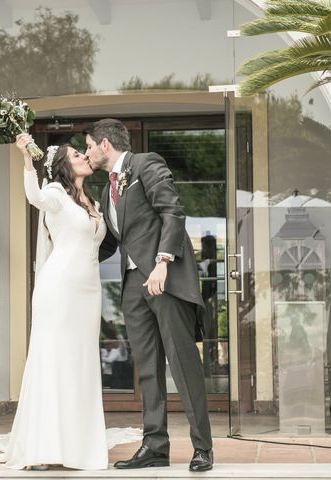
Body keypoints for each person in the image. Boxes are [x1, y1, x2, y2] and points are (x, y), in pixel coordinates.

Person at [85, 118, 214, 472]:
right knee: (147, 371)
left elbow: (172, 211)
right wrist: (74, 256)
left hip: (165, 281)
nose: (87, 153)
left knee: (183, 364)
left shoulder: (146, 164)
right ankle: (155, 445)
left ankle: (203, 447)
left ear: (105, 144)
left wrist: (163, 262)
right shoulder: (104, 190)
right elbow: (113, 240)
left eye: (89, 146)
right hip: (132, 289)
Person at [0, 133, 109, 470]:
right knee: (53, 360)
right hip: (59, 289)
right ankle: (43, 446)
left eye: (81, 153)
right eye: (76, 155)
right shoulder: (56, 194)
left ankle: (77, 445)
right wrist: (27, 159)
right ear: (63, 166)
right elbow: (34, 196)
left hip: (88, 293)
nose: (84, 157)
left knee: (80, 363)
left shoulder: (93, 202)